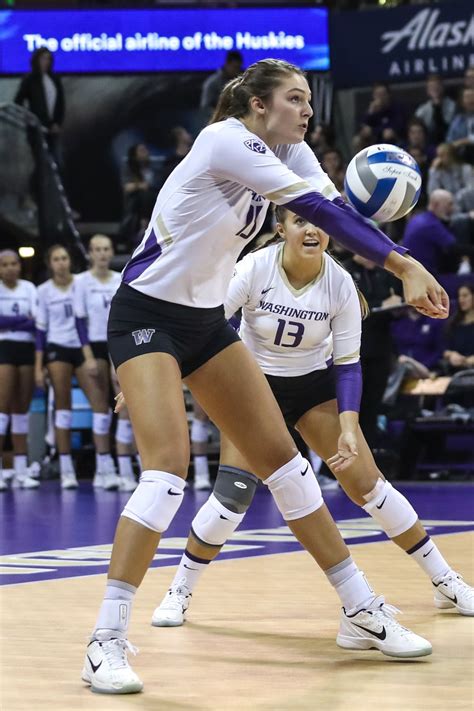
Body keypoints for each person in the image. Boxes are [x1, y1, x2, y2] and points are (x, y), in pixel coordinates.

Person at [82, 59, 449, 695]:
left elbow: (334, 206)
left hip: (204, 322)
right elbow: (311, 207)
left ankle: (361, 609)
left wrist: (404, 260)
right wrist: (401, 266)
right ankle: (105, 640)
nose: (308, 110)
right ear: (257, 105)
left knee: (287, 465)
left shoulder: (295, 149)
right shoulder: (226, 140)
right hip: (147, 313)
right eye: (295, 98)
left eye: (309, 99)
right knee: (168, 470)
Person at [150, 208, 473, 630]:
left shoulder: (341, 284)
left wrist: (349, 425)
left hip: (313, 387)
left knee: (370, 486)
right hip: (254, 386)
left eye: (318, 223)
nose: (312, 229)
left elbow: (349, 366)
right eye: (300, 221)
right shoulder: (253, 268)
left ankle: (444, 580)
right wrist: (159, 376)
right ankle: (180, 589)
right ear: (280, 229)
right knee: (232, 498)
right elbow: (206, 326)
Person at [74, 235, 133, 491]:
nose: (102, 254)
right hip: (93, 348)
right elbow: (79, 320)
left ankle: (125, 469)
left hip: (116, 346)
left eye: (106, 249)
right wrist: (87, 357)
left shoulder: (119, 278)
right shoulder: (81, 282)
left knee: (124, 408)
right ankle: (103, 468)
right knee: (100, 409)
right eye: (97, 249)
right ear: (90, 253)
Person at [35, 245, 93, 489]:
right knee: (63, 405)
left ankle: (105, 465)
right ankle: (66, 468)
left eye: (64, 258)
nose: (61, 263)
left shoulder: (81, 283)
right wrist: (39, 366)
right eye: (56, 259)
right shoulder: (43, 291)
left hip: (82, 347)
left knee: (98, 401)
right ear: (50, 263)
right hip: (57, 346)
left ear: (70, 261)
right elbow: (40, 330)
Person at [0, 250, 39, 490]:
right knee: (2, 409)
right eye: (5, 265)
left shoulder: (29, 288)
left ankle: (21, 470)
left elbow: (36, 319)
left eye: (14, 263)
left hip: (26, 347)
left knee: (21, 410)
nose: (10, 268)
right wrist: (18, 321)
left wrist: (10, 322)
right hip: (4, 347)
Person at [14, 47, 65, 163]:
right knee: (42, 163)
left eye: (48, 59)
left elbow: (61, 104)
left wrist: (57, 123)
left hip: (53, 129)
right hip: (37, 128)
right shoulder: (30, 79)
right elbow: (18, 102)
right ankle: (38, 181)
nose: (46, 62)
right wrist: (28, 119)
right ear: (36, 60)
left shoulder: (54, 79)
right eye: (43, 58)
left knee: (58, 162)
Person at [402, 189, 458, 276]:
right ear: (436, 205)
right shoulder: (431, 224)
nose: (452, 208)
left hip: (415, 273)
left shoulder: (417, 218)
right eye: (449, 204)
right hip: (428, 276)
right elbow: (455, 247)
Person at [414, 74, 456, 145]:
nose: (435, 89)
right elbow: (416, 124)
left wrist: (437, 107)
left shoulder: (453, 105)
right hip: (429, 143)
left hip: (450, 141)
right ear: (427, 90)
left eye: (437, 86)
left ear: (442, 88)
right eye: (431, 87)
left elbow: (450, 128)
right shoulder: (422, 109)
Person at [442, 284, 474, 372]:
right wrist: (451, 355)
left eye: (465, 295)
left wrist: (470, 360)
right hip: (456, 371)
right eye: (459, 296)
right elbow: (444, 349)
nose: (461, 299)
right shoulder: (453, 323)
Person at [446, 88, 474, 164]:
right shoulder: (457, 120)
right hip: (460, 156)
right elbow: (450, 140)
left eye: (472, 96)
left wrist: (464, 141)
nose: (471, 100)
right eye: (468, 97)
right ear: (462, 102)